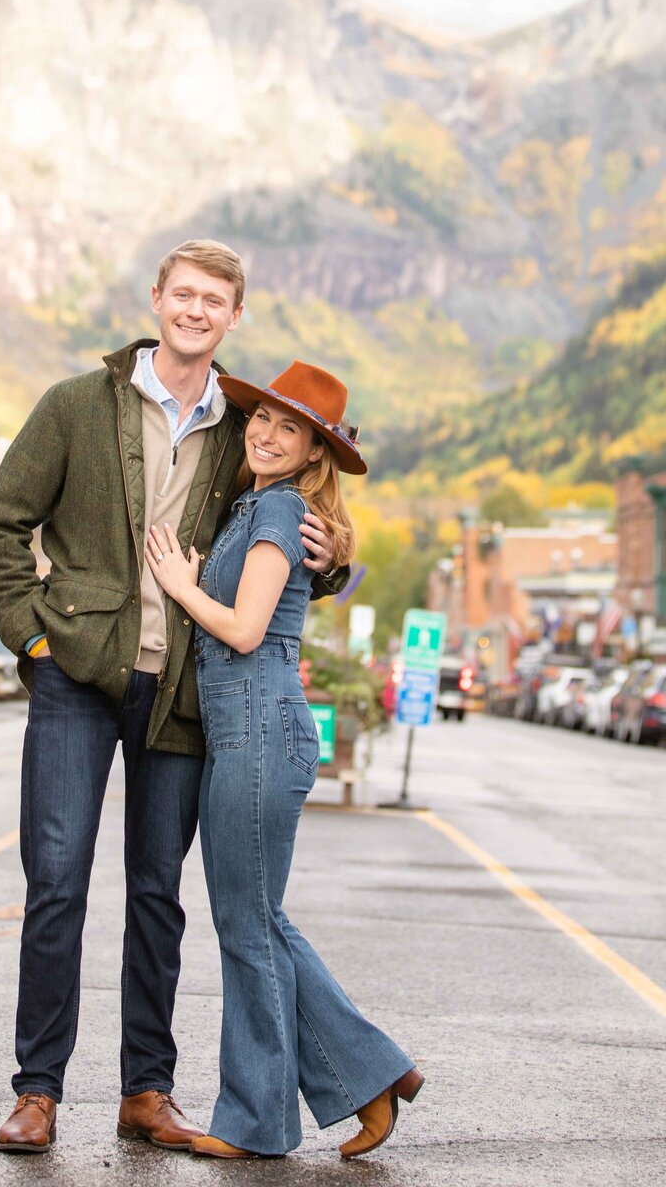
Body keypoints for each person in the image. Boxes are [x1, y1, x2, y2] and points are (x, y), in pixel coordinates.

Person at [0, 241, 346, 1156]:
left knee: (157, 893)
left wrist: (339, 564)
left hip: (180, 691)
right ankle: (37, 1091)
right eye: (183, 294)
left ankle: (147, 1090)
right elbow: (1, 527)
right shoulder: (75, 405)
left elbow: (286, 533)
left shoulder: (241, 429)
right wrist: (33, 639)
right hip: (76, 677)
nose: (196, 310)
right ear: (157, 300)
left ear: (233, 316)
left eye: (215, 300)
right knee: (55, 881)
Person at [146, 361, 424, 1161]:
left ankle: (258, 1121)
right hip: (247, 733)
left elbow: (241, 628)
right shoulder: (257, 505)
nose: (266, 434)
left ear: (313, 452)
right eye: (263, 418)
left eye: (288, 428)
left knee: (249, 929)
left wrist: (179, 583)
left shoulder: (277, 509)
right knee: (258, 924)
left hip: (260, 730)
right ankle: (372, 1075)